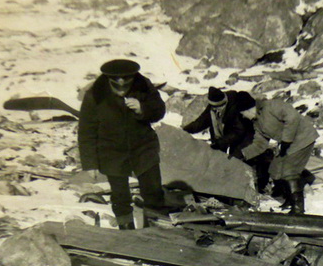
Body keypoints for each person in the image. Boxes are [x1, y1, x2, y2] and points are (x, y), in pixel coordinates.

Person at [78, 59, 167, 230]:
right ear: (109, 79)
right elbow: (86, 130)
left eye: (126, 82)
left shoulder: (143, 85)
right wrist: (90, 164)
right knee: (120, 196)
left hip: (143, 146)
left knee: (153, 191)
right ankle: (126, 230)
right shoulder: (95, 94)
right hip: (111, 150)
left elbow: (159, 110)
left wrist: (142, 108)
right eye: (116, 84)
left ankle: (155, 228)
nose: (121, 86)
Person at [182, 87, 272, 193]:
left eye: (220, 106)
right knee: (220, 160)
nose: (217, 109)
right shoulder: (213, 107)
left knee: (238, 159)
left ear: (225, 102)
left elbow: (238, 131)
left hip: (245, 136)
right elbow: (201, 122)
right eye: (214, 107)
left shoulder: (234, 106)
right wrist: (185, 130)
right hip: (226, 137)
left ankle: (253, 187)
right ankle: (223, 186)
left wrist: (221, 142)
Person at [239, 97, 318, 214]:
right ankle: (290, 199)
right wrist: (243, 154)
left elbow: (292, 117)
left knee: (289, 171)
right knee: (275, 170)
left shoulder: (272, 106)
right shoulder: (257, 122)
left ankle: (298, 207)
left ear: (249, 109)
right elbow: (260, 143)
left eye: (243, 113)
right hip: (288, 143)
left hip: (303, 138)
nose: (243, 116)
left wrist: (286, 140)